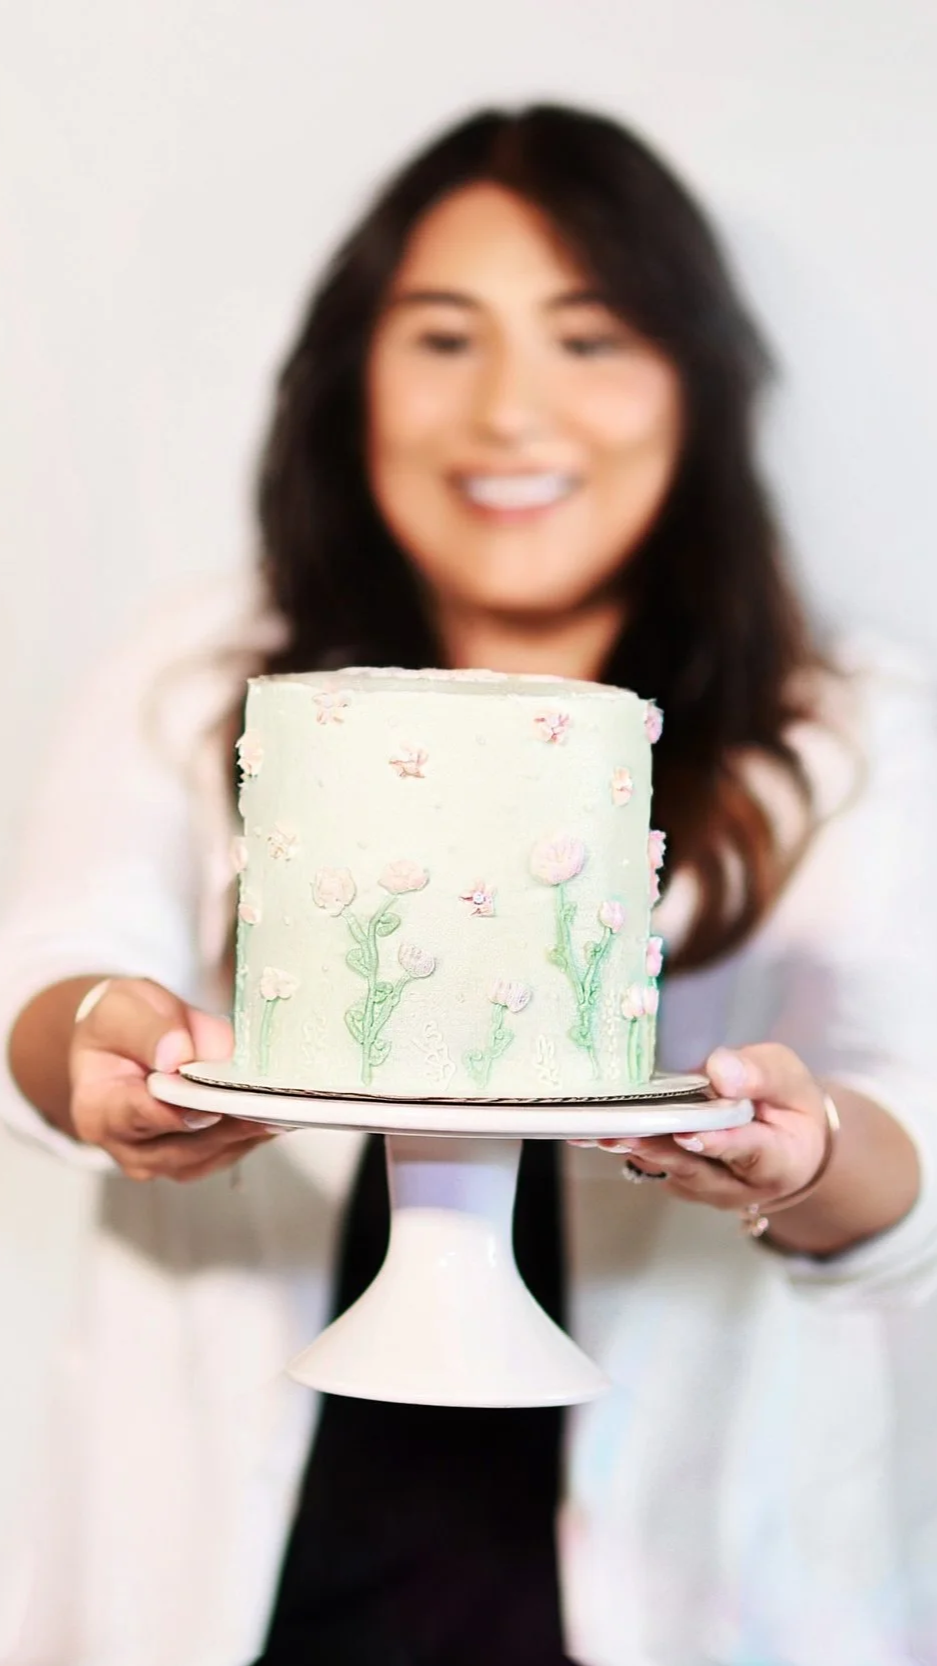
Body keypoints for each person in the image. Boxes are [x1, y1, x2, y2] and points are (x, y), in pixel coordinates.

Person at [1, 102, 936, 1666]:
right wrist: (100, 1039)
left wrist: (806, 1152)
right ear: (351, 375)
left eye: (592, 337)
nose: (512, 408)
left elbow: (910, 1133)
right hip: (250, 1584)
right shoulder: (198, 677)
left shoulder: (849, 733)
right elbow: (53, 976)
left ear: (694, 387)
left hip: (682, 1585)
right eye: (444, 337)